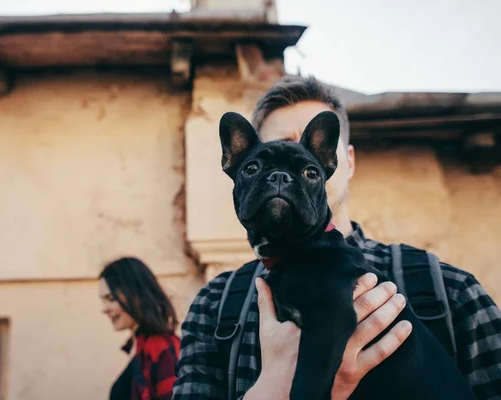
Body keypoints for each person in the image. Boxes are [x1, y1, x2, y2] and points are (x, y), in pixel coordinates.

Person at [172, 76, 501, 400]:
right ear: (234, 160)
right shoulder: (214, 305)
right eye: (263, 162)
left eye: (307, 163)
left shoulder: (450, 289)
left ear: (343, 161)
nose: (282, 178)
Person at [99, 257, 181, 400]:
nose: (104, 309)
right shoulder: (140, 349)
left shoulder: (161, 347)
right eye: (103, 300)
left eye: (111, 299)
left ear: (136, 295)